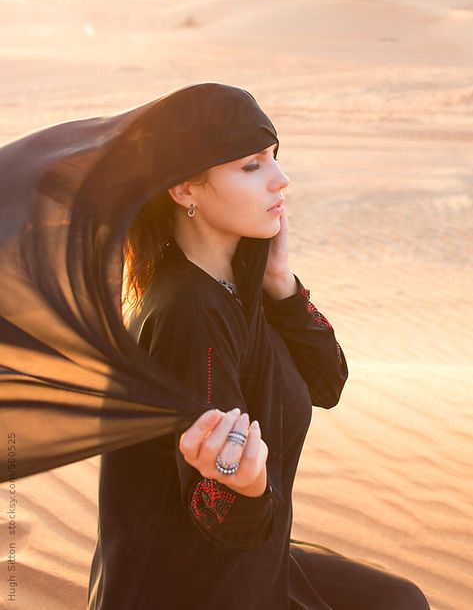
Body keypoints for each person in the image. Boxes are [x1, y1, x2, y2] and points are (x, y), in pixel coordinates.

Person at [87, 86, 431, 609]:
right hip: (193, 587)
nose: (281, 179)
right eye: (251, 166)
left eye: (274, 157)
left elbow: (327, 383)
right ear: (185, 189)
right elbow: (217, 515)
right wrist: (242, 484)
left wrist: (282, 283)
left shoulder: (242, 280)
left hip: (252, 564)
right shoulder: (189, 312)